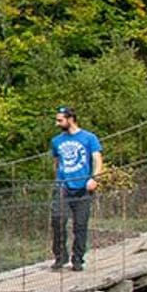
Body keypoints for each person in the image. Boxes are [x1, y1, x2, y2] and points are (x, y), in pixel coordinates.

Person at [49, 106, 102, 271]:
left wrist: (94, 178)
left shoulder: (89, 138)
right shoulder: (56, 141)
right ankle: (60, 256)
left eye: (60, 120)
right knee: (57, 220)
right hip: (62, 186)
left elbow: (97, 159)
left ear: (70, 119)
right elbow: (56, 162)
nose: (57, 123)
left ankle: (77, 258)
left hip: (82, 187)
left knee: (80, 225)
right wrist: (57, 179)